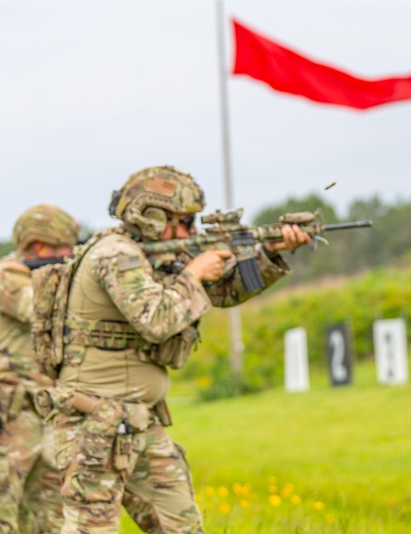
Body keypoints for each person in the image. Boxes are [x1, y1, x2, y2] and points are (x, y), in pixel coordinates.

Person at [51, 165, 311, 533]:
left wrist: (269, 253)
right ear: (153, 217)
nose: (192, 231)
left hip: (135, 421)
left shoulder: (149, 256)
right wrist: (193, 273)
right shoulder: (115, 255)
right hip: (93, 424)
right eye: (186, 221)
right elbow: (156, 319)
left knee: (183, 526)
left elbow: (221, 292)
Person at [0, 204, 80, 534]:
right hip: (6, 415)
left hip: (46, 413)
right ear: (37, 247)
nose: (69, 255)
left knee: (51, 516)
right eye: (61, 249)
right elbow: (39, 309)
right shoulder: (6, 274)